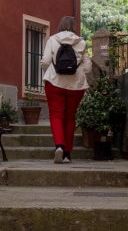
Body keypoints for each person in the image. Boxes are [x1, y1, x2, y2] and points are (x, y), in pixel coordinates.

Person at [40, 16, 92, 163]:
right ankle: (68, 154)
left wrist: (49, 72)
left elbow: (45, 61)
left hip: (54, 83)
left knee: (56, 115)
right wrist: (78, 69)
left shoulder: (52, 40)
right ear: (73, 26)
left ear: (60, 25)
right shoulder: (81, 42)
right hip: (76, 86)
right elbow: (88, 67)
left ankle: (59, 147)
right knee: (70, 117)